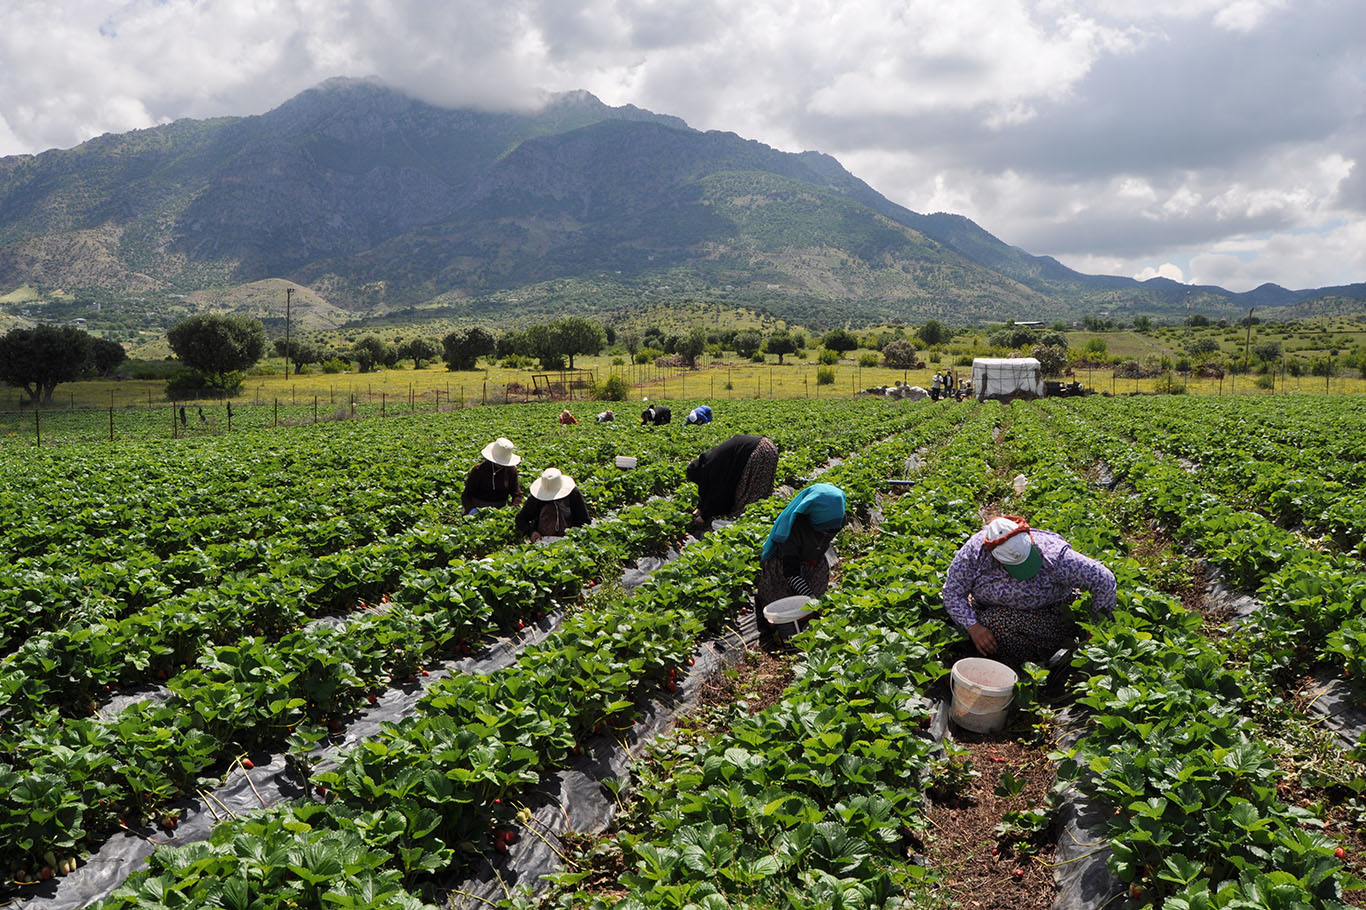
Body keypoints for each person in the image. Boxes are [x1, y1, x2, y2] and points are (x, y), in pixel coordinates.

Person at [942, 515, 1116, 667]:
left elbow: (1104, 580)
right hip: (987, 608)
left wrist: (1094, 630)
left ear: (1030, 541)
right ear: (996, 558)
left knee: (995, 622)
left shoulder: (1055, 556)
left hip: (1051, 614)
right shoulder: (975, 552)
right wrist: (972, 626)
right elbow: (952, 591)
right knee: (980, 623)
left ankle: (1031, 665)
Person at [754, 483, 847, 639]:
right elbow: (791, 573)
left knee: (812, 606)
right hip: (783, 569)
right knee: (785, 608)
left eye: (833, 530)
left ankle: (809, 619)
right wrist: (811, 599)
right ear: (812, 518)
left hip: (813, 563)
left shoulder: (837, 519)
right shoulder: (792, 530)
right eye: (823, 528)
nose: (828, 533)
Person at [686, 434, 778, 524]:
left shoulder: (712, 466)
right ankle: (761, 514)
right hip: (768, 447)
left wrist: (704, 517)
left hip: (759, 453)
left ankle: (750, 519)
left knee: (749, 491)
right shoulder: (709, 461)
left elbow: (717, 491)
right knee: (760, 488)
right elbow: (708, 490)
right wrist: (700, 508)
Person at [515, 468, 589, 541]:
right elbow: (521, 519)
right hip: (543, 539)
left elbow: (584, 520)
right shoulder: (536, 498)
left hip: (569, 538)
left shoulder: (573, 494)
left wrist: (574, 535)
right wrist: (531, 532)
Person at [461, 437, 523, 515]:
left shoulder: (511, 470)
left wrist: (512, 510)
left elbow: (517, 494)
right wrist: (470, 509)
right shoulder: (479, 470)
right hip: (478, 506)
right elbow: (466, 495)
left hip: (500, 508)